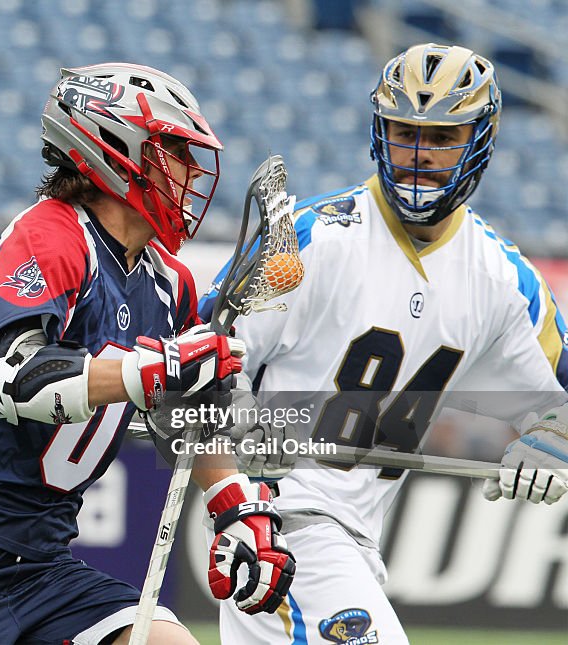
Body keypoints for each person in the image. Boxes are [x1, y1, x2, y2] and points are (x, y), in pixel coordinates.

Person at [0, 62, 292, 644]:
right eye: (172, 152)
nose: (188, 172)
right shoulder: (52, 236)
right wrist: (148, 371)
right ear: (117, 149)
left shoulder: (171, 285)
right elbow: (14, 377)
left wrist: (234, 505)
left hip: (40, 566)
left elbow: (193, 414)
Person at [198, 43, 568, 644]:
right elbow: (194, 364)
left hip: (356, 537)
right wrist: (234, 437)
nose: (419, 155)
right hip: (280, 524)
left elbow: (560, 399)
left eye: (444, 137)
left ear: (481, 139)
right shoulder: (306, 242)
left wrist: (554, 439)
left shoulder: (504, 281)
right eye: (404, 132)